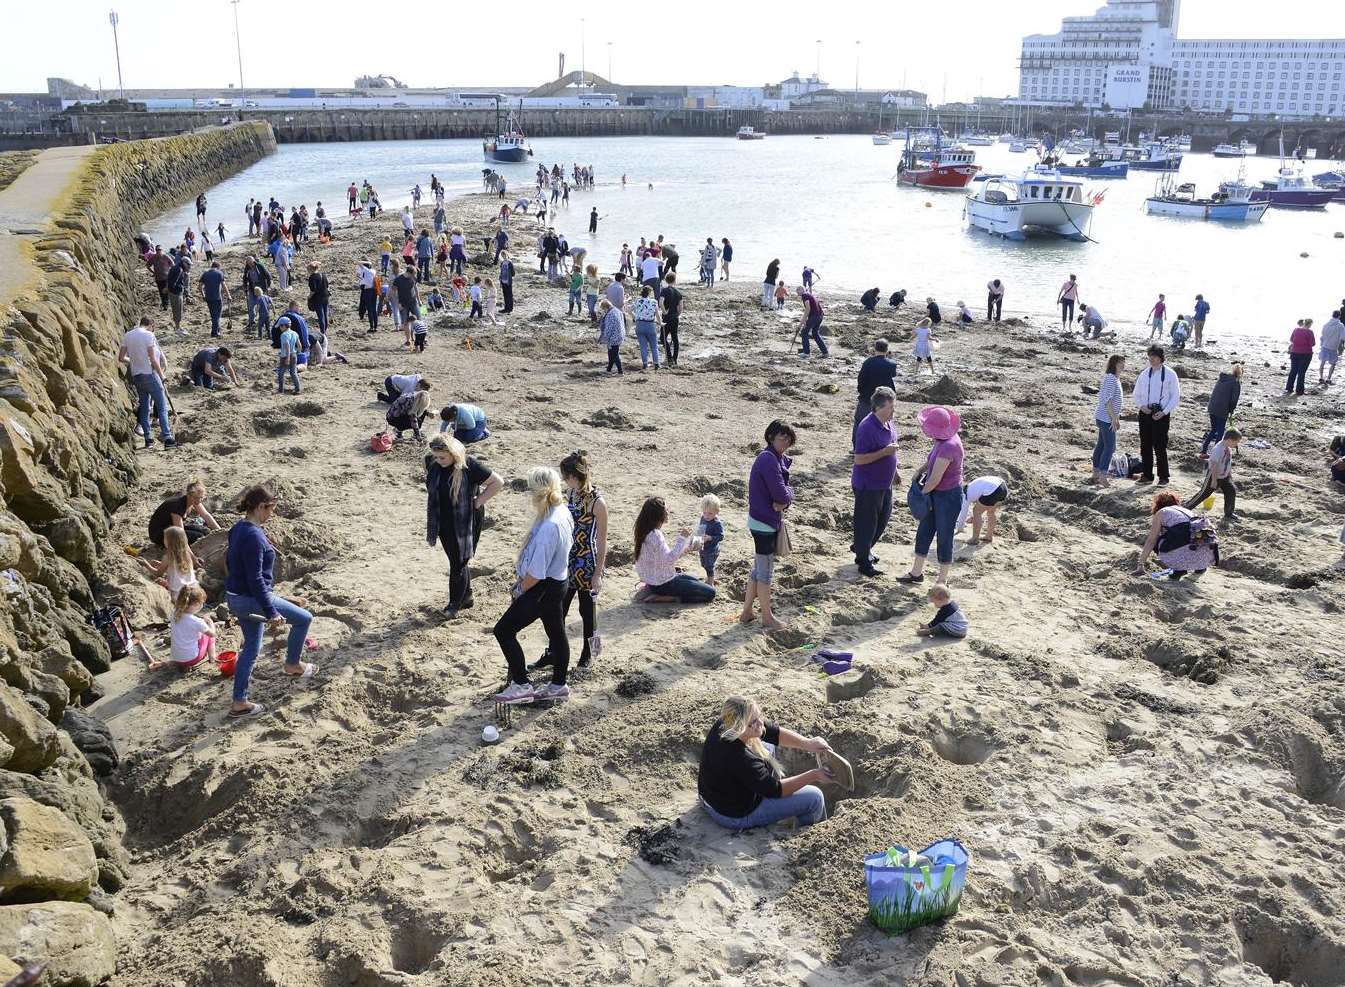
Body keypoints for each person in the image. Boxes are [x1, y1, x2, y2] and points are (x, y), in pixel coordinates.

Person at [224, 485, 316, 719]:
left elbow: (237, 562)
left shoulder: (238, 528)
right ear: (260, 507)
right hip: (251, 598)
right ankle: (293, 665)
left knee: (251, 648)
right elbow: (255, 580)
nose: (272, 514)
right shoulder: (253, 535)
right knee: (304, 619)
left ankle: (239, 702)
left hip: (235, 597)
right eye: (271, 509)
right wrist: (272, 611)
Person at [494, 467, 575, 704]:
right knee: (556, 633)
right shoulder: (562, 509)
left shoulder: (549, 526)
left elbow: (536, 574)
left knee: (504, 631)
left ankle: (521, 685)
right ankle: (559, 685)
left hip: (543, 587)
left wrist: (520, 589)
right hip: (560, 581)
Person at [697, 696, 832, 831]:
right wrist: (814, 775)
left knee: (767, 744)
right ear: (740, 727)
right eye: (754, 722)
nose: (760, 723)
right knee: (815, 797)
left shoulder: (725, 723)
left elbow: (772, 732)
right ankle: (805, 835)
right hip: (733, 815)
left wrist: (807, 743)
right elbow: (776, 790)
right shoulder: (742, 758)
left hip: (709, 797)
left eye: (759, 716)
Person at [532, 451, 609, 671]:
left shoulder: (598, 502)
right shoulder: (571, 494)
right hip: (567, 559)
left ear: (576, 476)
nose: (564, 480)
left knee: (587, 612)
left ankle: (590, 653)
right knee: (558, 610)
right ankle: (553, 652)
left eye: (566, 476)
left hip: (587, 562)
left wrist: (598, 574)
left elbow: (602, 541)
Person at [425, 435, 504, 616]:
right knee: (457, 559)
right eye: (435, 457)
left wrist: (478, 502)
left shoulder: (469, 466)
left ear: (453, 454)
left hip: (466, 520)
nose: (438, 461)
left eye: (442, 457)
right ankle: (466, 596)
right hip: (442, 519)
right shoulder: (431, 462)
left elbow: (497, 482)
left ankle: (454, 605)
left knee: (459, 562)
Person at [898, 406, 965, 587]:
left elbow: (935, 479)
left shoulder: (948, 447)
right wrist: (920, 470)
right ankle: (916, 572)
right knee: (924, 531)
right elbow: (931, 461)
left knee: (944, 535)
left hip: (948, 497)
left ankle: (942, 580)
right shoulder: (942, 440)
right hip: (937, 493)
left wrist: (920, 494)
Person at [743, 420, 795, 629]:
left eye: (788, 438)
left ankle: (747, 612)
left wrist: (785, 498)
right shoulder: (769, 460)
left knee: (758, 569)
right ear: (771, 437)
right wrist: (788, 496)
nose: (785, 441)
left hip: (760, 520)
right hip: (764, 522)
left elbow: (783, 496)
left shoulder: (774, 459)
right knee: (765, 572)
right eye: (781, 437)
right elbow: (782, 493)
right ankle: (767, 617)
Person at [852, 387, 899, 578]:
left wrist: (895, 471)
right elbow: (859, 459)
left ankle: (862, 547)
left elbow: (892, 450)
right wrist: (884, 453)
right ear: (878, 407)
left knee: (883, 519)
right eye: (890, 407)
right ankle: (863, 562)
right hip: (868, 485)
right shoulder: (867, 427)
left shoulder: (889, 423)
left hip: (884, 483)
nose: (893, 411)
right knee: (867, 523)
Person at [633, 497, 716, 603]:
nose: (668, 512)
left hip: (654, 579)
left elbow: (659, 558)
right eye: (666, 510)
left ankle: (655, 591)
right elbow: (670, 559)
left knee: (697, 581)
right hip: (663, 583)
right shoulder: (655, 535)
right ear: (658, 515)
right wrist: (682, 538)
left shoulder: (643, 531)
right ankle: (667, 598)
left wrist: (688, 548)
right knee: (710, 593)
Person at [1132, 491, 1218, 580]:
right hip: (1207, 557)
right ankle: (1200, 568)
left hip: (1187, 553)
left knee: (1159, 540)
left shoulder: (1162, 512)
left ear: (1158, 505)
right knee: (1190, 535)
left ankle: (1179, 569)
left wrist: (1141, 564)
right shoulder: (1186, 511)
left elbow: (1151, 540)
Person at [118, 317, 175, 449]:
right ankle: (167, 438)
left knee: (144, 407)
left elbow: (121, 358)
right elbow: (154, 359)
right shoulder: (149, 335)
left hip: (137, 376)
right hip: (150, 374)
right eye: (153, 327)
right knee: (162, 407)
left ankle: (148, 439)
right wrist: (162, 375)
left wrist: (135, 361)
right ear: (151, 325)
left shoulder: (128, 335)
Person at [1132, 345, 1180, 486]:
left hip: (1162, 414)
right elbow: (1136, 393)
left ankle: (1163, 477)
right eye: (1150, 357)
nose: (1151, 359)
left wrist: (1164, 412)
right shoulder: (1144, 373)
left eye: (1154, 356)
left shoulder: (1170, 374)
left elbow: (1175, 396)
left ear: (1161, 358)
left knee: (1160, 446)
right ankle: (1147, 475)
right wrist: (1142, 406)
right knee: (1145, 445)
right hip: (1145, 412)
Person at [1185, 427, 1240, 521]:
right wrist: (1214, 481)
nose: (1237, 444)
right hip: (1213, 476)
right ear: (1230, 440)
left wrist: (1229, 474)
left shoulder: (1228, 448)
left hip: (1225, 476)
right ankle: (1186, 508)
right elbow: (1213, 466)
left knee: (1231, 491)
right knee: (1203, 494)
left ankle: (1229, 513)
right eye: (1236, 442)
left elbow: (1228, 462)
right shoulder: (1218, 449)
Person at [148, 480, 219, 547]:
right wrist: (192, 557)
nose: (198, 501)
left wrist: (221, 532)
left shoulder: (193, 500)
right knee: (199, 537)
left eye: (201, 498)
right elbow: (180, 534)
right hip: (159, 533)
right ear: (188, 495)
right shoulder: (178, 505)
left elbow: (206, 515)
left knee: (206, 531)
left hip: (172, 526)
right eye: (196, 498)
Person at [854, 339, 897, 446]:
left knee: (860, 422)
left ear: (874, 349)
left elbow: (861, 379)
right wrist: (889, 358)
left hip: (867, 396)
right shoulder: (891, 364)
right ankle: (883, 445)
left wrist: (861, 391)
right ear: (887, 350)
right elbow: (893, 374)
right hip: (884, 399)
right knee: (885, 422)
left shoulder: (868, 362)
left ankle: (857, 447)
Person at [1092, 354, 1125, 486]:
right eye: (1120, 362)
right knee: (1110, 447)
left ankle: (1096, 472)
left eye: (1123, 362)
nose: (1123, 365)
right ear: (1114, 364)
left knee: (1101, 445)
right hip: (1106, 418)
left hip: (1102, 416)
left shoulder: (1113, 378)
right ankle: (1103, 476)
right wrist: (1114, 419)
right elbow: (1108, 401)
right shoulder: (1111, 379)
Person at [140, 525, 198, 597]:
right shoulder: (187, 553)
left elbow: (158, 574)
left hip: (178, 593)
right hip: (193, 588)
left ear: (169, 542)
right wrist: (161, 564)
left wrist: (146, 565)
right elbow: (178, 567)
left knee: (159, 582)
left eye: (165, 538)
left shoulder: (167, 557)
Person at [169, 585, 215, 671]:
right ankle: (212, 657)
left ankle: (183, 665)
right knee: (208, 635)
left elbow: (187, 625)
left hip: (176, 658)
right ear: (196, 604)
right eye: (202, 603)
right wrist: (211, 623)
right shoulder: (197, 621)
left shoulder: (174, 614)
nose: (202, 605)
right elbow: (213, 634)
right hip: (192, 659)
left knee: (194, 634)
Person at [1202, 363, 1242, 455]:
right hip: (1222, 409)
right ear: (1240, 374)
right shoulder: (1236, 382)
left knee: (1213, 429)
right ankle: (1216, 453)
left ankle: (1204, 450)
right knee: (1220, 432)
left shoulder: (1223, 378)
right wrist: (1231, 410)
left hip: (1212, 406)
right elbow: (1234, 399)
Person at [956, 476, 1008, 543]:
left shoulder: (965, 494)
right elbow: (983, 503)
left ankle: (975, 539)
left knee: (976, 511)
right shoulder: (972, 487)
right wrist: (973, 517)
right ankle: (989, 536)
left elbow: (963, 513)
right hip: (1002, 487)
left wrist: (960, 528)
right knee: (991, 512)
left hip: (992, 489)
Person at [632, 285, 661, 371]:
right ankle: (656, 364)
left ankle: (645, 364)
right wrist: (660, 323)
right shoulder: (653, 302)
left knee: (643, 346)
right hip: (650, 325)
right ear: (649, 293)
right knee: (654, 346)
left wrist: (636, 317)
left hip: (639, 325)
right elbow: (657, 315)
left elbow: (629, 310)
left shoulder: (637, 301)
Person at [198, 261, 230, 337]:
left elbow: (199, 286)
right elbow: (224, 285)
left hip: (208, 297)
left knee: (213, 315)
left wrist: (203, 295)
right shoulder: (219, 273)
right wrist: (228, 295)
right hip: (217, 297)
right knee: (217, 315)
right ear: (218, 267)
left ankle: (216, 330)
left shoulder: (205, 274)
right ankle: (215, 332)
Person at [698, 494, 724, 586]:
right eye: (704, 512)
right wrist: (697, 539)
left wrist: (710, 538)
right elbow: (700, 529)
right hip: (703, 548)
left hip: (712, 550)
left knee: (709, 566)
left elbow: (721, 536)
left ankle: (710, 583)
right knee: (703, 565)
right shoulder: (703, 518)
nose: (706, 516)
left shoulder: (717, 523)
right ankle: (709, 578)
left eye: (710, 513)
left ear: (717, 511)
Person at [797, 287, 828, 358]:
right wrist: (805, 321)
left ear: (801, 290)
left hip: (815, 316)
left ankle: (806, 353)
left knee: (804, 332)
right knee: (815, 334)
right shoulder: (810, 294)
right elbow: (811, 309)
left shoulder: (804, 295)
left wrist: (801, 323)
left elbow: (808, 309)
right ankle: (825, 352)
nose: (797, 293)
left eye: (797, 290)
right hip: (820, 316)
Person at [1287, 318, 1315, 396]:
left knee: (1293, 370)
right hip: (1305, 353)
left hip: (1294, 352)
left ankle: (1289, 388)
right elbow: (1312, 343)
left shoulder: (1296, 329)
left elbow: (1291, 339)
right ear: (1309, 324)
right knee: (1301, 372)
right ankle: (1299, 390)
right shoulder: (1310, 332)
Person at [659, 272, 682, 367]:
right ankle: (674, 359)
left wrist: (664, 312)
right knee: (675, 338)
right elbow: (681, 308)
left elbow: (660, 302)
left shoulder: (664, 290)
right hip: (675, 318)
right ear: (674, 280)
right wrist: (677, 314)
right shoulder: (678, 292)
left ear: (665, 280)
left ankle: (669, 358)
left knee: (662, 338)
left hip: (666, 318)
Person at [598, 299, 625, 376]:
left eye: (603, 309)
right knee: (611, 353)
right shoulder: (617, 310)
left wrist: (604, 339)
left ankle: (620, 372)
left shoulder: (610, 315)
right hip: (620, 335)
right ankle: (608, 370)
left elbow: (609, 329)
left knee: (614, 354)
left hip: (614, 337)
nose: (603, 311)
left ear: (605, 307)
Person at [276, 318, 301, 395]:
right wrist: (297, 353)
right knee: (293, 373)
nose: (280, 328)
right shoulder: (295, 333)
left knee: (281, 373)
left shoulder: (284, 335)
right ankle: (297, 389)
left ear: (284, 326)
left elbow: (287, 346)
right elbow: (299, 345)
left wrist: (287, 358)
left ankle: (280, 390)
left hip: (285, 356)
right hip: (293, 354)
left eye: (280, 326)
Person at [1319, 310, 1344, 385]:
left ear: (1332, 315)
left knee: (1322, 362)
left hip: (1325, 345)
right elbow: (1343, 337)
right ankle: (1328, 378)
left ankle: (1321, 377)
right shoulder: (1340, 325)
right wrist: (1341, 347)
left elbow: (1322, 336)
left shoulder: (1326, 324)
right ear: (1339, 316)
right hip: (1333, 347)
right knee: (1333, 364)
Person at [307, 262, 330, 335]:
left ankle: (323, 332)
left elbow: (313, 290)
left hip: (318, 298)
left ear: (311, 269)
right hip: (325, 296)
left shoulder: (312, 277)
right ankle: (325, 330)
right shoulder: (323, 275)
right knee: (325, 314)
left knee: (320, 316)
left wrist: (309, 297)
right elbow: (327, 285)